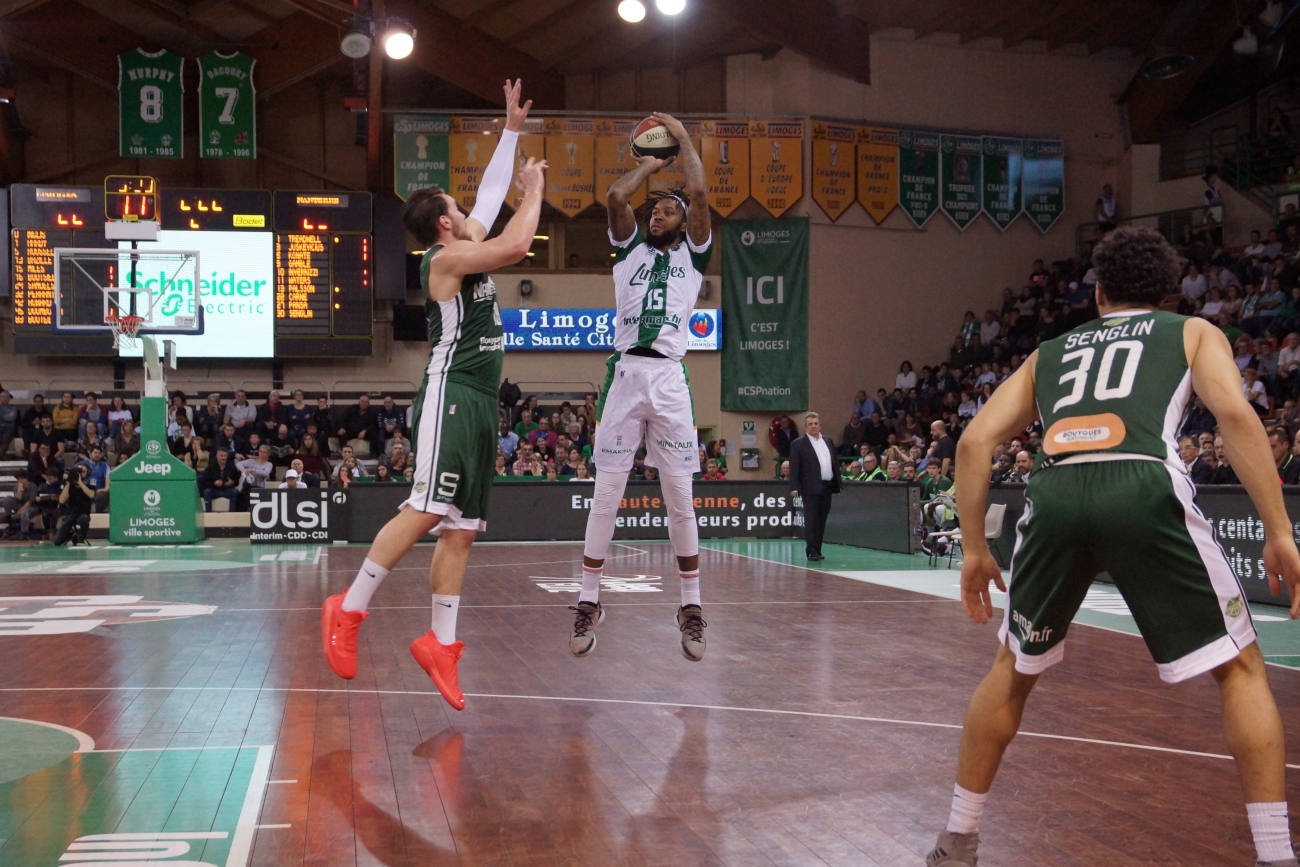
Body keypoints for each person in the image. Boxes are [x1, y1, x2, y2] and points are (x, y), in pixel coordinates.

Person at [927, 226, 1300, 867]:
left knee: (1010, 672)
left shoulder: (1050, 351)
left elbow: (971, 444)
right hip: (1141, 482)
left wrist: (972, 550)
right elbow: (1237, 418)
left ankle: (957, 840)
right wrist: (1280, 530)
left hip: (1055, 492)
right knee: (1240, 667)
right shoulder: (1191, 332)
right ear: (1165, 294)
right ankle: (1275, 855)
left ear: (1098, 293)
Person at [321, 80, 542, 712]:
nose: (470, 210)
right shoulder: (443, 262)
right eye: (458, 207)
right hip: (450, 393)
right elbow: (517, 241)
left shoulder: (459, 240)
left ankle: (439, 644)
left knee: (462, 529)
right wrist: (539, 190)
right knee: (425, 510)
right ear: (445, 223)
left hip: (479, 397)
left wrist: (510, 131)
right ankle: (349, 608)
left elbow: (490, 198)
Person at [571, 111, 712, 663]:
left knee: (680, 499)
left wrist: (681, 139)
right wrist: (650, 165)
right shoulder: (628, 247)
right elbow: (613, 197)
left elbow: (699, 192)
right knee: (606, 494)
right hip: (626, 374)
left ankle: (692, 607)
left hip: (670, 378)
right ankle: (588, 600)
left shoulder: (693, 254)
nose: (659, 213)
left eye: (668, 208)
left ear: (684, 221)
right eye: (655, 208)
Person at [788, 412, 841, 561]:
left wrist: (838, 484)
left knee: (822, 519)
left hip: (827, 486)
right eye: (810, 424)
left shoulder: (828, 441)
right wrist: (794, 487)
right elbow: (794, 467)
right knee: (811, 520)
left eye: (815, 423)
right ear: (805, 427)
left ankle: (817, 549)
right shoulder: (798, 444)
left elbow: (834, 463)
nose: (813, 426)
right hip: (809, 488)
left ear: (820, 425)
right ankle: (811, 550)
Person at [51, 463, 94, 546]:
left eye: (83, 472)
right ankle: (73, 535)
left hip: (83, 514)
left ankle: (81, 537)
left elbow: (91, 495)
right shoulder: (69, 487)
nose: (80, 474)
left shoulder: (90, 486)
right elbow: (62, 500)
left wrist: (80, 482)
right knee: (57, 541)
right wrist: (68, 483)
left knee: (84, 518)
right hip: (70, 515)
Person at [76, 445, 110, 512]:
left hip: (98, 490)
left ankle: (97, 515)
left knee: (102, 496)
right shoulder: (81, 464)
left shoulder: (104, 465)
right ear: (90, 454)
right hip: (84, 488)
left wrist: (105, 489)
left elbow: (108, 481)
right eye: (95, 452)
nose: (97, 454)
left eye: (99, 453)